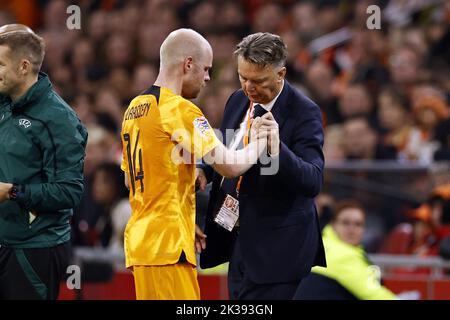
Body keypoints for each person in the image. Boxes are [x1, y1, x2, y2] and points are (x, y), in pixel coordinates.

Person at [120, 28, 267, 300]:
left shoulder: (134, 108)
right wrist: (260, 141)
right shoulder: (179, 109)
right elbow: (230, 166)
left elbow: (130, 180)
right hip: (167, 246)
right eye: (206, 69)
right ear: (188, 64)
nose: (208, 78)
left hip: (143, 243)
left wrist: (184, 220)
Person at [198, 32, 326, 300]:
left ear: (281, 74)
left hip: (279, 249)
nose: (248, 87)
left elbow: (313, 180)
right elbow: (227, 147)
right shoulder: (237, 100)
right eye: (242, 77)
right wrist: (203, 169)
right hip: (237, 238)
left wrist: (278, 149)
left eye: (258, 81)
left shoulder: (304, 112)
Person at [0, 24, 88, 299]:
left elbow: (70, 191)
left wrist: (13, 191)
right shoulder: (4, 103)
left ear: (23, 67)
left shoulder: (59, 120)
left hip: (33, 249)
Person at [294, 200, 397, 300]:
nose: (352, 229)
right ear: (333, 225)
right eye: (345, 223)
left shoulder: (320, 245)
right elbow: (373, 295)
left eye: (358, 224)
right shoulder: (343, 254)